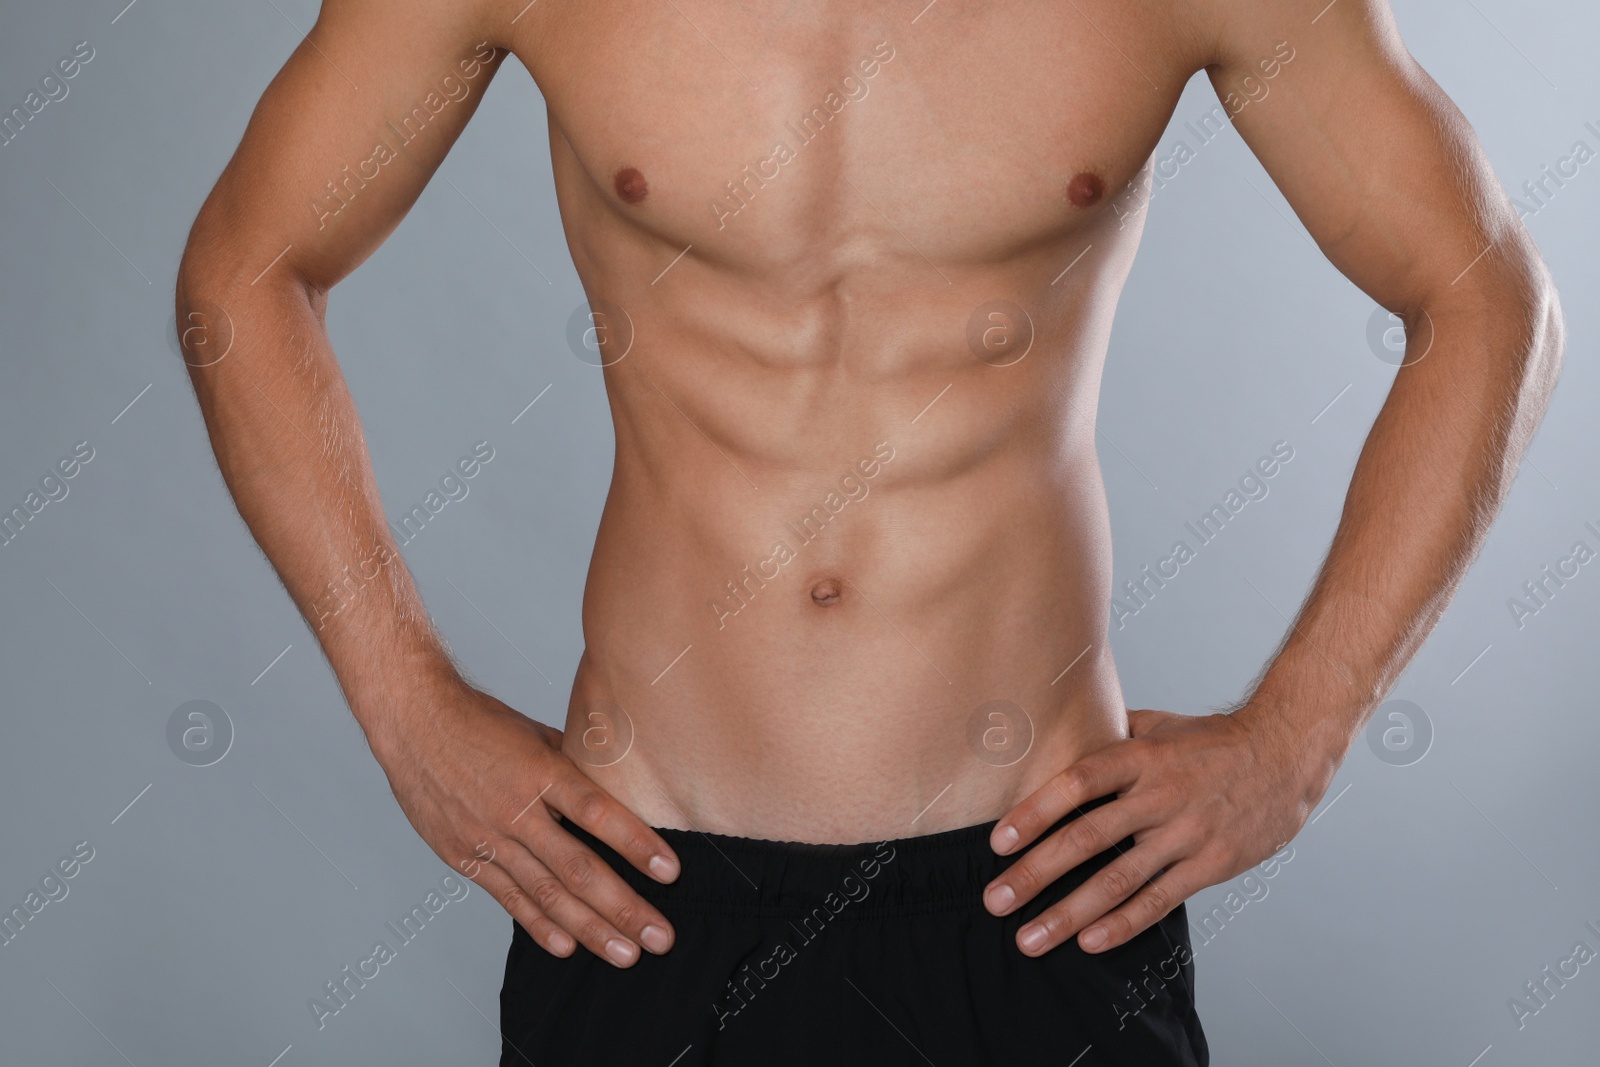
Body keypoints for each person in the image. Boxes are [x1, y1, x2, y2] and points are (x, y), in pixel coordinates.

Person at [174, 0, 1562, 1062]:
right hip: (649, 886)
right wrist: (408, 709)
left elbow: (1488, 299)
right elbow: (243, 273)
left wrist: (1302, 733)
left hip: (1038, 891)